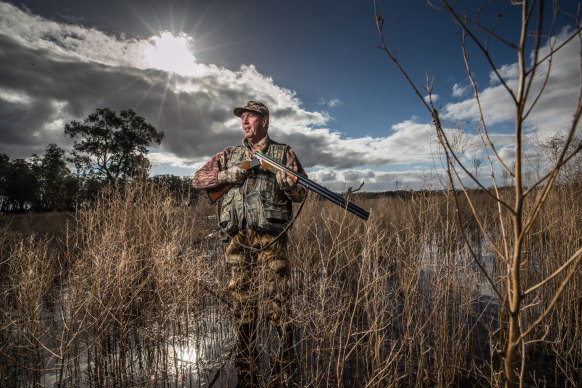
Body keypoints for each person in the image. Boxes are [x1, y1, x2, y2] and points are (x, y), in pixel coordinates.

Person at [192, 101, 307, 387]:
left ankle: (285, 363)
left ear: (264, 121)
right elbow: (197, 179)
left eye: (250, 117)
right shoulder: (230, 155)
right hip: (237, 239)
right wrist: (224, 175)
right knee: (241, 296)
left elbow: (302, 191)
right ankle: (246, 363)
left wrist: (288, 184)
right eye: (242, 118)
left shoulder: (282, 153)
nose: (244, 122)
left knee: (278, 296)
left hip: (271, 239)